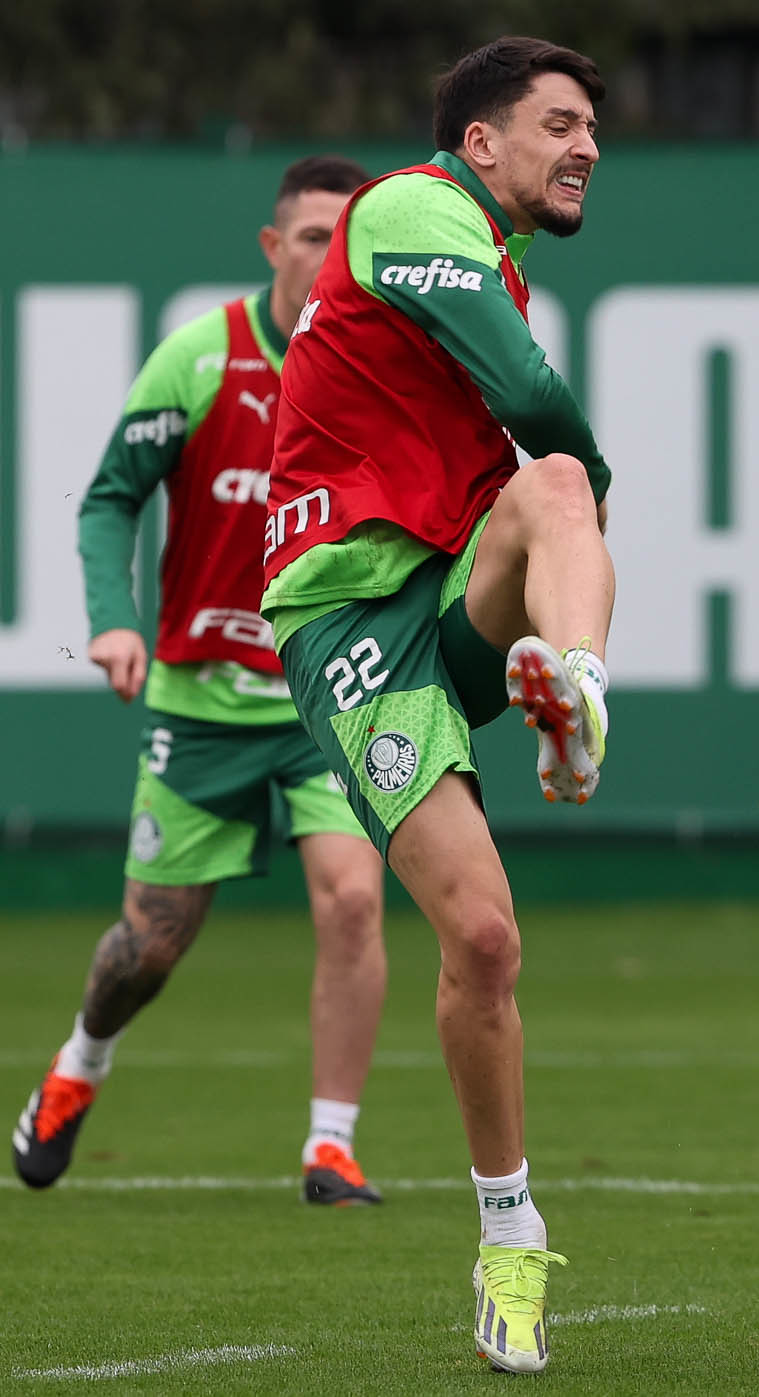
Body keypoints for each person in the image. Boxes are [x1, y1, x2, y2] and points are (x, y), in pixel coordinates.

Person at [259, 37, 613, 1376]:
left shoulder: (494, 262)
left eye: (594, 129)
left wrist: (582, 504)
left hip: (456, 584)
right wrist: (602, 481)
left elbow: (534, 444)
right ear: (479, 141)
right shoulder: (409, 207)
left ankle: (572, 698)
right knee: (485, 938)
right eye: (560, 123)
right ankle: (510, 1239)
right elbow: (528, 395)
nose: (587, 148)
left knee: (557, 493)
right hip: (353, 617)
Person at [12, 156, 389, 1208]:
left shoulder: (375, 364)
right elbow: (108, 499)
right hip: (199, 702)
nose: (329, 257)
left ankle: (332, 1145)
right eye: (311, 237)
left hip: (328, 694)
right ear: (274, 248)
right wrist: (114, 620)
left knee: (355, 899)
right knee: (150, 943)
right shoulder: (201, 355)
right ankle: (82, 1059)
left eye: (346, 240)